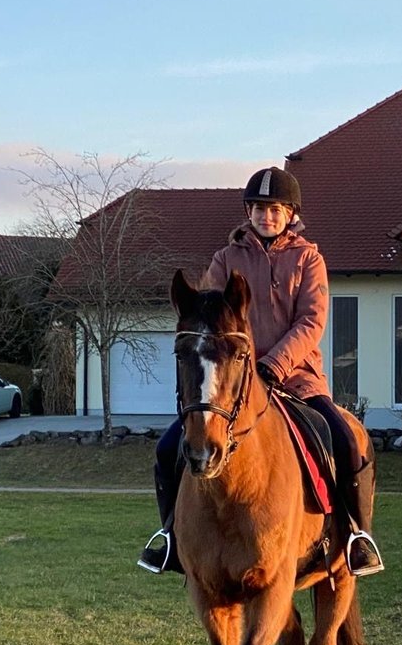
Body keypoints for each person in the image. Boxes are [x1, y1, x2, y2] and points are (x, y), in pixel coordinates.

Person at [139, 166, 384, 577]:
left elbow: (311, 322)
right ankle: (170, 538)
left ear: (291, 214)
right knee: (168, 449)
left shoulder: (309, 258)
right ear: (248, 212)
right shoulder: (226, 259)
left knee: (343, 441)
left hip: (298, 378)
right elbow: (206, 316)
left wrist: (273, 365)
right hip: (235, 383)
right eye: (258, 208)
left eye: (274, 209)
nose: (266, 216)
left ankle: (357, 537)